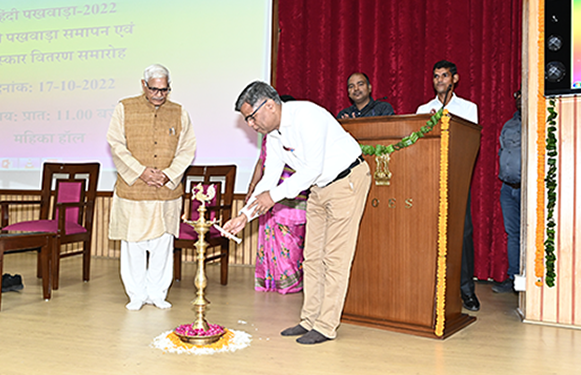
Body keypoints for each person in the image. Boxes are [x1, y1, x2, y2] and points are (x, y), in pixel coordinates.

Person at [224, 81, 371, 344]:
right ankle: (309, 320)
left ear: (269, 105)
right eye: (247, 119)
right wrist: (244, 216)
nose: (250, 124)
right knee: (311, 257)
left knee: (335, 258)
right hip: (318, 188)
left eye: (252, 117)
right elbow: (269, 179)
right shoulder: (274, 136)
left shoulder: (307, 116)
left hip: (346, 181)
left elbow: (310, 169)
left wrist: (272, 196)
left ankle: (326, 326)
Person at [107, 64, 196, 311]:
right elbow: (116, 144)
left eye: (164, 90)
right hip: (133, 190)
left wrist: (167, 175)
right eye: (154, 89)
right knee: (133, 244)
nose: (159, 95)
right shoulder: (124, 107)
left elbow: (187, 149)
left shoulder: (179, 112)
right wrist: (141, 172)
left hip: (166, 191)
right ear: (144, 85)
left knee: (162, 244)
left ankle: (157, 293)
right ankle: (136, 294)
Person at [416, 60, 480, 311]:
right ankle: (429, 289)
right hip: (429, 179)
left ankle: (466, 292)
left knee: (462, 234)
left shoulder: (468, 108)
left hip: (457, 177)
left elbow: (468, 141)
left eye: (444, 76)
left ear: (454, 79)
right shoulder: (424, 109)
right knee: (429, 234)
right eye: (435, 76)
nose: (439, 80)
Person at [246, 95, 307, 294]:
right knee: (269, 234)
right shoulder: (269, 136)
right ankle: (270, 282)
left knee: (289, 238)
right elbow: (261, 163)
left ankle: (290, 283)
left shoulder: (298, 133)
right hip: (268, 191)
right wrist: (252, 187)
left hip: (292, 191)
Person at [493, 89, 522, 293]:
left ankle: (529, 280)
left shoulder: (539, 120)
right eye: (517, 95)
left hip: (527, 188)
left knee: (527, 235)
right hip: (507, 188)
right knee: (512, 234)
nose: (519, 99)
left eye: (523, 95)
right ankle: (513, 279)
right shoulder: (509, 124)